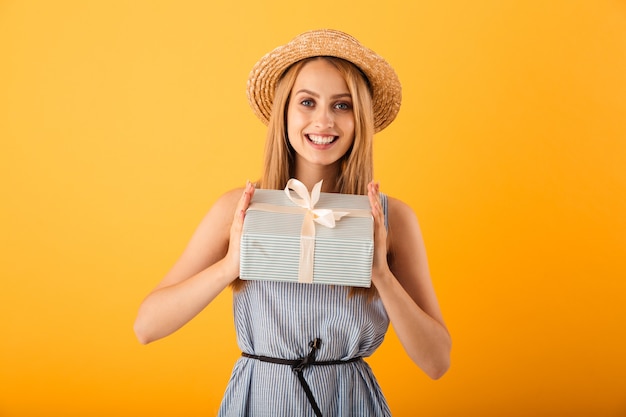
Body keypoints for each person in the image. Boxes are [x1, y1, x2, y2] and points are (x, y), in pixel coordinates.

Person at [134, 29, 451, 416]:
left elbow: (436, 362)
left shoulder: (391, 219)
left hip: (348, 403)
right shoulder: (239, 209)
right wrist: (231, 264)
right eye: (307, 102)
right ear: (283, 111)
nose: (323, 121)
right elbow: (147, 327)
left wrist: (382, 276)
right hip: (260, 400)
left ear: (360, 120)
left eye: (342, 105)